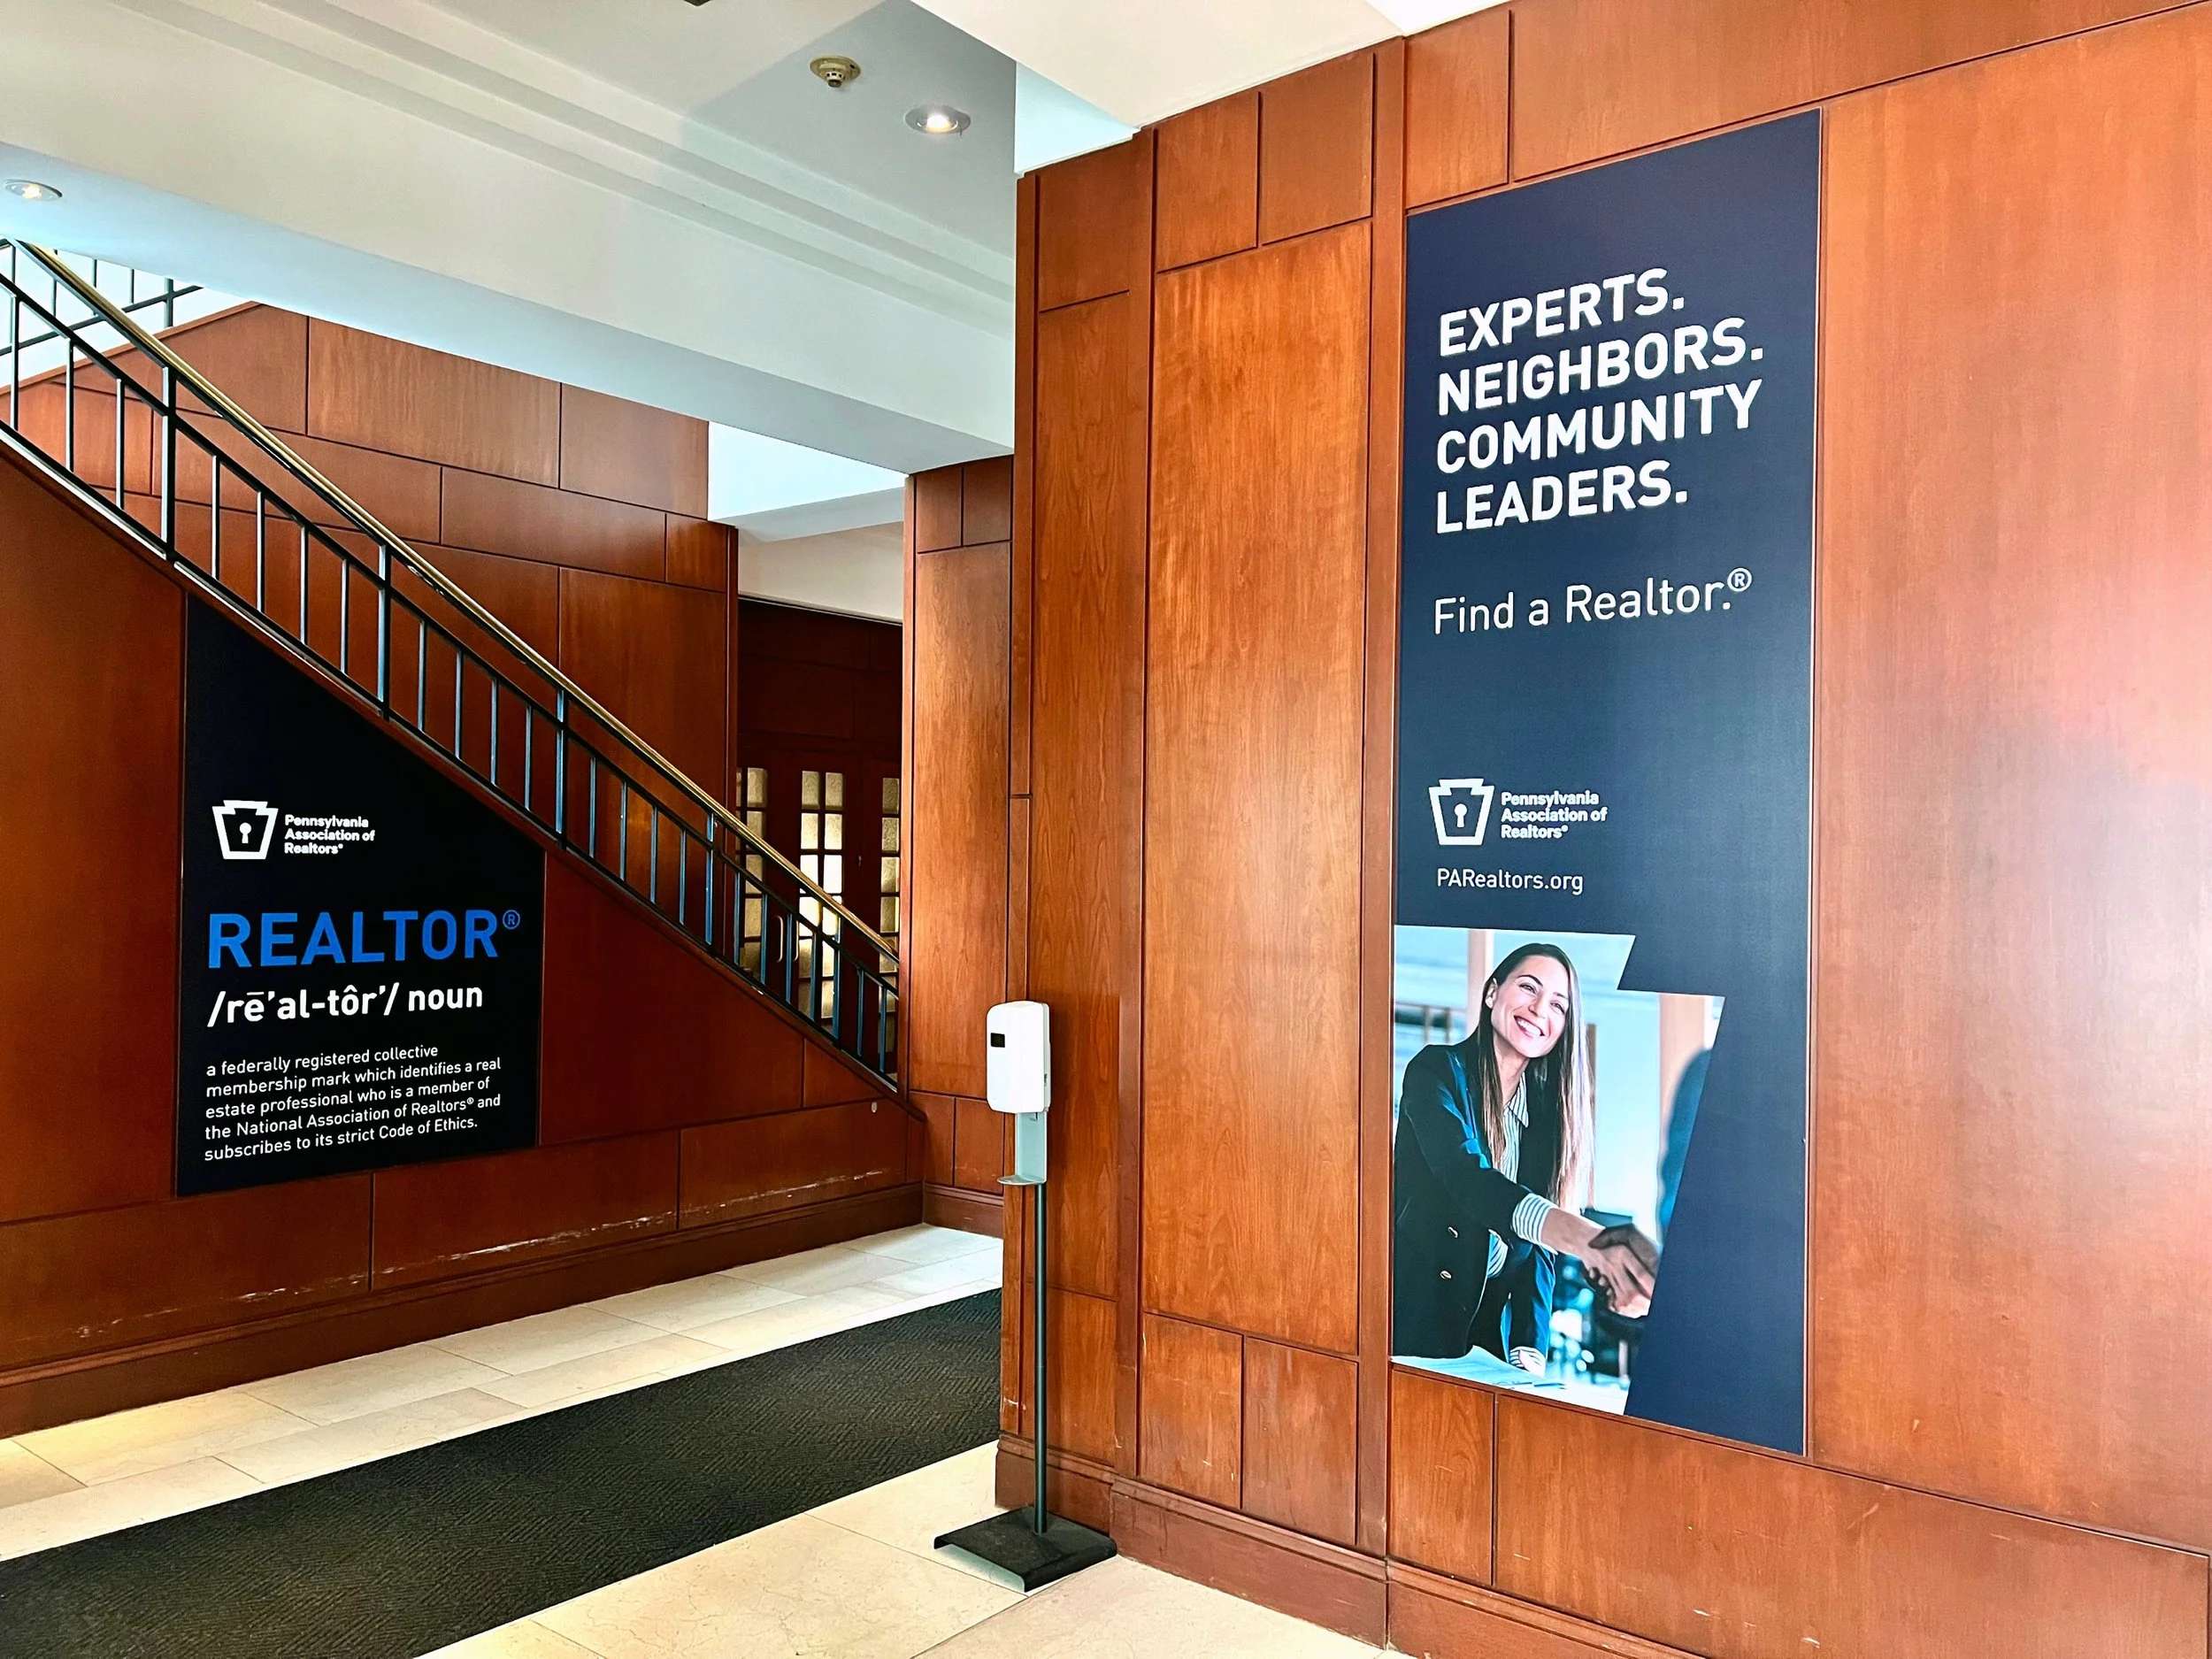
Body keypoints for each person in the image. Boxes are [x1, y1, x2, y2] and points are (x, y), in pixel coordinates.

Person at [1394, 942, 1660, 1370]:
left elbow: (1537, 1253)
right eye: (1528, 988)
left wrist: (1527, 1355)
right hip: (1412, 1320)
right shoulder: (1435, 1071)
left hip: (1486, 1338)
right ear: (1492, 993)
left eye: (1558, 1005)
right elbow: (1467, 1178)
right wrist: (1594, 1244)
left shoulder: (1547, 1118)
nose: (1539, 1009)